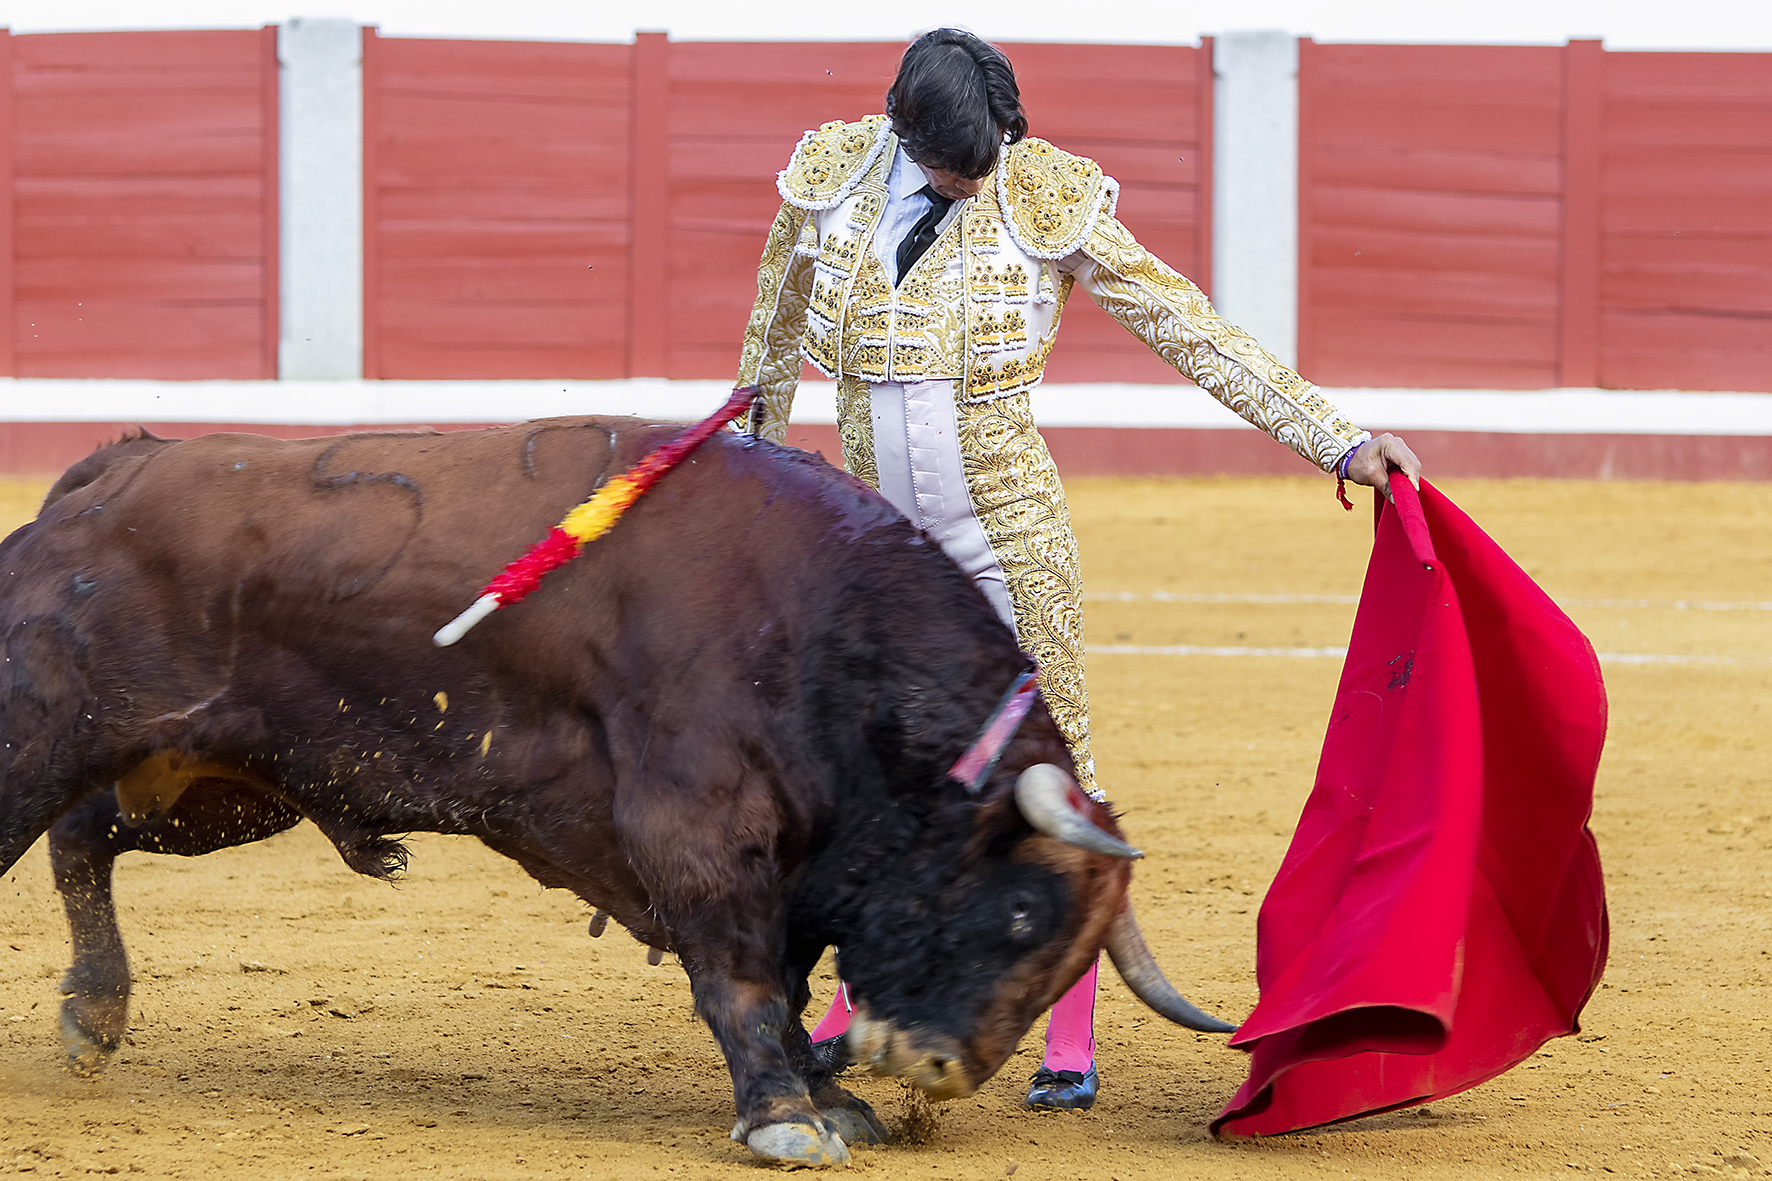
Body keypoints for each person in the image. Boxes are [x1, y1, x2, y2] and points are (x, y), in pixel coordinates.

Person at [733, 28, 1421, 1112]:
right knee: (886, 774)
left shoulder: (1042, 191)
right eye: (951, 168)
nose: (973, 184)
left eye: (986, 161)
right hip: (878, 548)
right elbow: (768, 351)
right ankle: (867, 992)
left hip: (1005, 529)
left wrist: (1336, 440)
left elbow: (1185, 324)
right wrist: (747, 495)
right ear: (902, 130)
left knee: (1054, 772)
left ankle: (1068, 1020)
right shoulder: (829, 178)